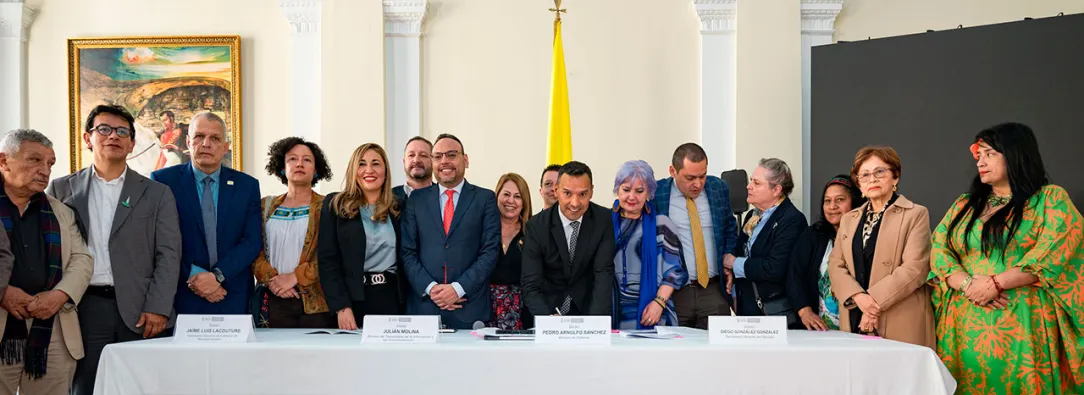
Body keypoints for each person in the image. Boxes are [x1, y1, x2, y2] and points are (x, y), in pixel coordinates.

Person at [930, 123, 1084, 394]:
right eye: (978, 155)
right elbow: (939, 250)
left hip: (1022, 322)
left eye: (989, 153)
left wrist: (995, 283)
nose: (980, 161)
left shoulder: (1049, 199)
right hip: (964, 324)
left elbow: (1054, 252)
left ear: (1014, 154)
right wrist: (968, 284)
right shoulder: (964, 205)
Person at [47, 105, 182, 394]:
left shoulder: (156, 192)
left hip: (142, 311)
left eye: (122, 132)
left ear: (132, 143)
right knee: (87, 385)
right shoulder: (61, 190)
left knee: (144, 386)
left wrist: (158, 307)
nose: (113, 137)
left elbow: (169, 254)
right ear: (88, 138)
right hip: (84, 306)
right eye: (104, 130)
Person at [0, 129, 92, 395]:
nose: (44, 170)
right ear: (4, 161)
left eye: (50, 163)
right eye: (34, 160)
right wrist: (3, 292)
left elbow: (81, 259)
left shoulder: (60, 211)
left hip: (52, 327)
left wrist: (60, 295)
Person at [151, 112, 262, 315]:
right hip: (182, 294)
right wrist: (196, 276)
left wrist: (217, 276)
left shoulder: (247, 185)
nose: (206, 144)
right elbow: (159, 240)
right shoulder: (163, 181)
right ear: (188, 141)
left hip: (232, 295)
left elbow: (252, 241)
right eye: (199, 136)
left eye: (215, 138)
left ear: (225, 147)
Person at [827, 146, 934, 347]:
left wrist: (872, 303)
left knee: (899, 375)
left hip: (899, 314)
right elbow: (835, 264)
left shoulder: (915, 213)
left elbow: (915, 268)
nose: (872, 179)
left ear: (895, 177)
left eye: (880, 172)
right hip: (855, 311)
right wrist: (859, 298)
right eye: (864, 175)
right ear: (858, 184)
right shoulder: (849, 219)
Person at [401, 134, 500, 329]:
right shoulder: (416, 200)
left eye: (451, 155)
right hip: (424, 309)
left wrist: (457, 289)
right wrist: (432, 290)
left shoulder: (485, 199)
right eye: (438, 156)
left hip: (469, 309)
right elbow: (407, 252)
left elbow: (490, 252)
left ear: (466, 160)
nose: (444, 161)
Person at [319, 143, 405, 329]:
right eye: (362, 164)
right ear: (353, 170)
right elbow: (327, 261)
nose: (369, 170)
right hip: (351, 301)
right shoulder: (335, 205)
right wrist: (341, 306)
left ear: (385, 171)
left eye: (376, 164)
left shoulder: (399, 207)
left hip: (392, 300)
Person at [252, 137, 334, 328]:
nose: (299, 164)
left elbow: (332, 255)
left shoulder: (328, 206)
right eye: (292, 159)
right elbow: (253, 250)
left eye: (307, 160)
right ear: (282, 167)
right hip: (271, 300)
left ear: (316, 170)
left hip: (315, 304)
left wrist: (294, 277)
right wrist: (275, 281)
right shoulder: (265, 206)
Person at [654, 143, 739, 329]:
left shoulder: (718, 188)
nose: (698, 184)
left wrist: (727, 261)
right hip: (675, 293)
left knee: (716, 354)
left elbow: (729, 229)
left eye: (702, 176)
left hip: (713, 291)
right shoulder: (657, 193)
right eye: (690, 178)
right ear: (672, 171)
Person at [522, 161, 615, 317]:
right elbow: (530, 284)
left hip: (588, 311)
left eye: (583, 194)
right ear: (556, 190)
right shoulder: (536, 226)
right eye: (567, 193)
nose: (575, 203)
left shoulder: (603, 220)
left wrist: (593, 324)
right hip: (548, 311)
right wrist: (547, 320)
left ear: (591, 192)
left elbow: (603, 275)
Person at [727, 158, 807, 325]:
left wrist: (734, 263)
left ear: (776, 189)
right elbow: (745, 253)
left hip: (773, 314)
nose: (749, 187)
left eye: (756, 183)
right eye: (750, 181)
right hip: (747, 308)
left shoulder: (792, 220)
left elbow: (774, 268)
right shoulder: (752, 216)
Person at [610, 160, 687, 329]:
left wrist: (658, 304)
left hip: (652, 312)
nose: (631, 197)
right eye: (626, 189)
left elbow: (675, 272)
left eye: (639, 191)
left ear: (649, 193)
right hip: (611, 312)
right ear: (617, 190)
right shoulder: (603, 223)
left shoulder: (662, 225)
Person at [786, 175, 863, 331]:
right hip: (819, 331)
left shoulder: (866, 236)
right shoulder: (813, 234)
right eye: (827, 201)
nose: (832, 206)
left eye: (840, 200)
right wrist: (805, 311)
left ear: (855, 202)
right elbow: (794, 275)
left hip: (858, 327)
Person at [488, 173, 533, 329]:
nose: (511, 201)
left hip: (521, 312)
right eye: (506, 194)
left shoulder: (532, 233)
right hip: (483, 308)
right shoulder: (483, 230)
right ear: (497, 195)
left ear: (524, 202)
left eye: (517, 196)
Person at [392, 136, 433, 203]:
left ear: (433, 162)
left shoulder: (444, 196)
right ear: (404, 162)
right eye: (411, 155)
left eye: (423, 155)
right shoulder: (388, 198)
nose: (416, 160)